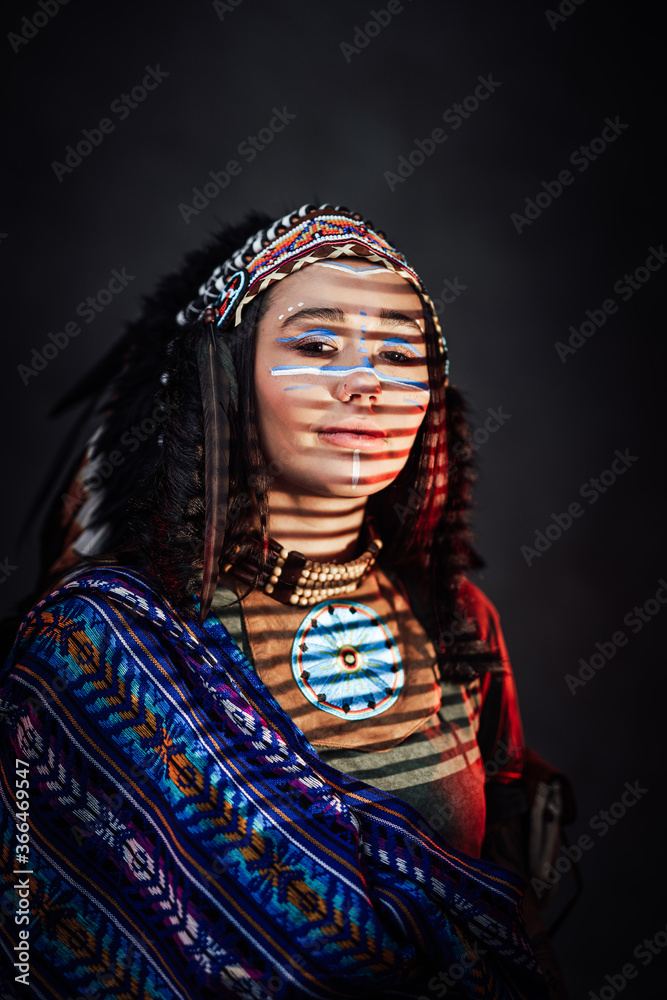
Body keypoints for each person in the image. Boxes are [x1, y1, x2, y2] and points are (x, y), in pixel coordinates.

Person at [0, 204, 566, 998]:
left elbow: (504, 917)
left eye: (401, 354)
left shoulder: (458, 624)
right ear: (223, 377)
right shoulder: (99, 641)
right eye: (315, 343)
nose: (366, 381)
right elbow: (40, 934)